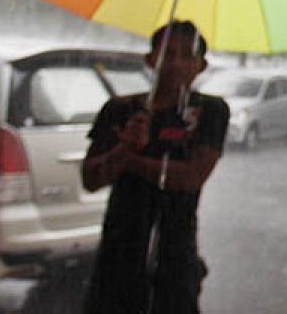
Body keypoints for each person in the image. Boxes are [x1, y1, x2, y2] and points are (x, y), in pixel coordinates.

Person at [81, 20, 230, 314]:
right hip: (119, 252)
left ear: (201, 65)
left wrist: (130, 159)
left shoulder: (210, 111)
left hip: (174, 254)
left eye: (187, 56)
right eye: (167, 53)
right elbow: (91, 178)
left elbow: (191, 177)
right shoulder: (120, 110)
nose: (175, 63)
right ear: (150, 59)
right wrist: (125, 147)